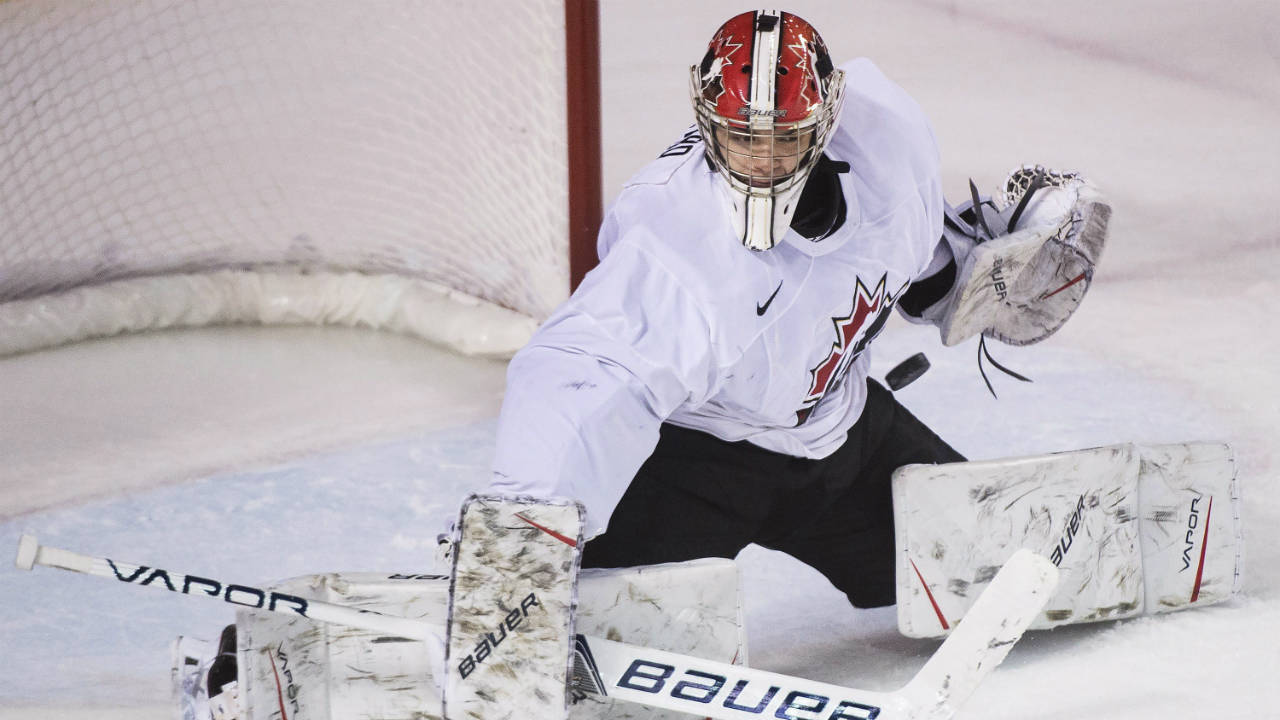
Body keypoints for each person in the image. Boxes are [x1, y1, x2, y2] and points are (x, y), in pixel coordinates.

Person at [483, 9, 1088, 609]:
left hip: (844, 439)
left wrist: (967, 276)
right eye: (743, 140)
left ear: (827, 120)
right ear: (706, 121)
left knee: (1013, 568)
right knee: (580, 624)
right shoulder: (675, 242)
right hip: (700, 463)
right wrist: (522, 541)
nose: (764, 162)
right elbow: (576, 377)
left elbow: (900, 253)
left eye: (786, 138)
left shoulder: (888, 141)